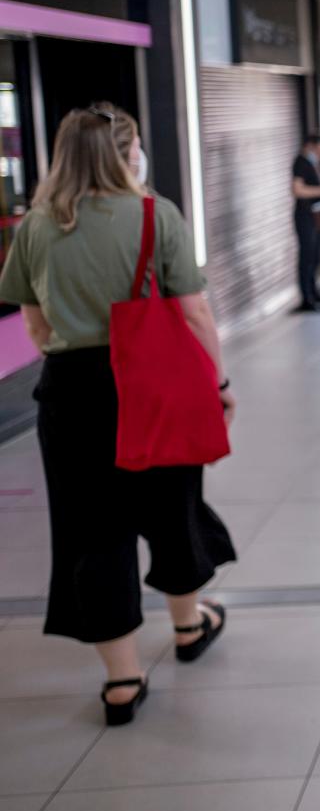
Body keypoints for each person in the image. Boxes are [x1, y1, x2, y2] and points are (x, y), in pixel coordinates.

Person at [0, 103, 236, 726]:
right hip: (154, 382)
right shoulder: (155, 215)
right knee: (171, 505)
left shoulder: (38, 225)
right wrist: (218, 383)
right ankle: (188, 627)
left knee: (91, 530)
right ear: (122, 154)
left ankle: (122, 680)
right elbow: (194, 313)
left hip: (72, 392)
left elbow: (34, 321)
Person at [292, 134, 320, 311]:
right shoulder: (301, 162)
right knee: (307, 257)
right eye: (319, 149)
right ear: (310, 146)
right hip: (305, 217)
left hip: (315, 216)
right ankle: (306, 298)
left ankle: (314, 292)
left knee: (315, 256)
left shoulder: (312, 162)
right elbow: (297, 190)